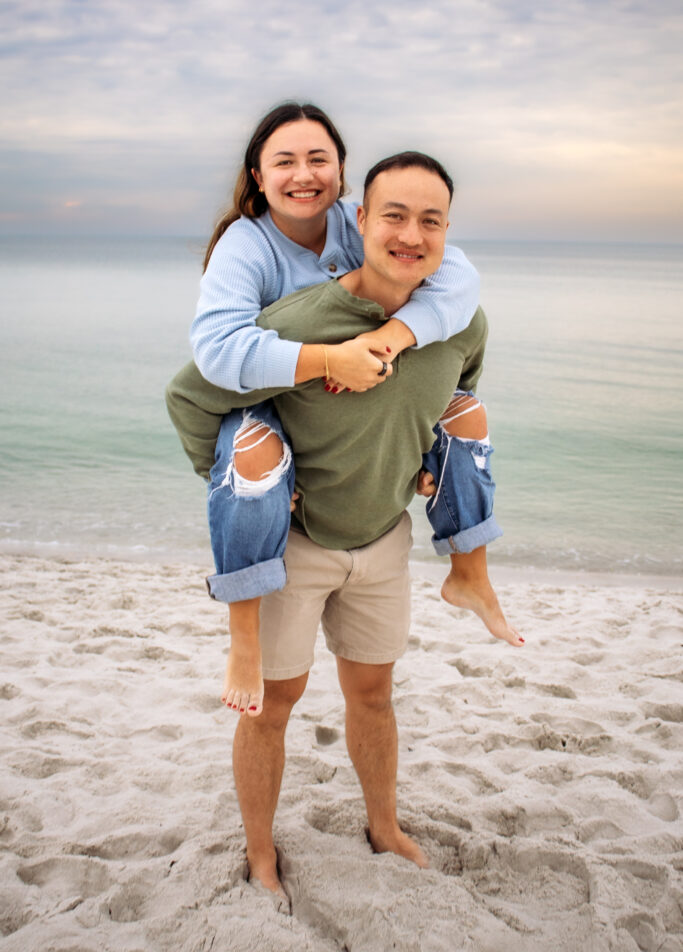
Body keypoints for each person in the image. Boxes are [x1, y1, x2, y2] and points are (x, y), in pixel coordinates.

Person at [167, 152, 525, 897]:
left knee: (372, 696)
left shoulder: (461, 319)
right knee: (273, 708)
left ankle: (383, 825)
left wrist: (429, 450)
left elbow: (460, 387)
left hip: (384, 543)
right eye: (392, 215)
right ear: (357, 221)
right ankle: (261, 852)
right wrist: (237, 488)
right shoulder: (298, 322)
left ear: (447, 234)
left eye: (429, 220)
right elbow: (190, 396)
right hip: (292, 551)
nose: (410, 234)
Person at [177, 102, 517, 720]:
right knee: (255, 463)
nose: (303, 174)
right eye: (284, 161)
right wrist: (330, 360)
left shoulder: (359, 223)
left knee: (464, 408)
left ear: (342, 176)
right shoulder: (247, 246)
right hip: (262, 397)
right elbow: (216, 358)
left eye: (319, 160)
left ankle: (469, 563)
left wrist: (393, 340)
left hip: (356, 415)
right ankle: (244, 637)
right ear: (257, 175)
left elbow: (458, 279)